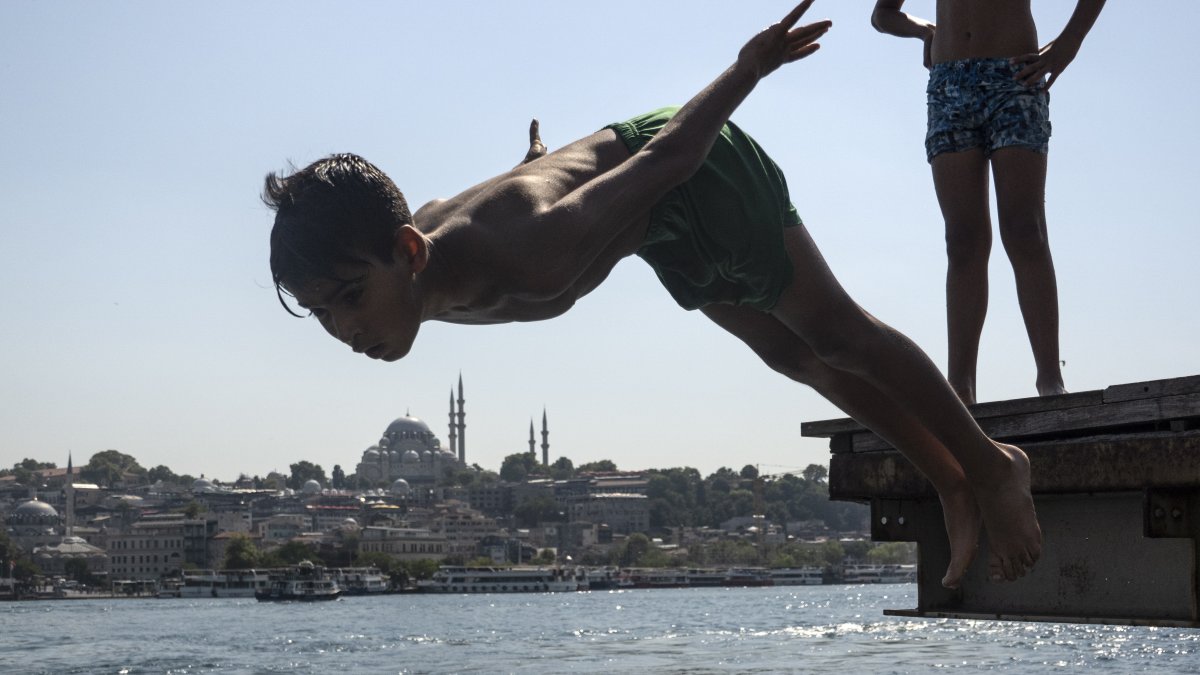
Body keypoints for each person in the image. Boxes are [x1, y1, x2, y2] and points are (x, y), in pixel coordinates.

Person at [264, 1, 1040, 588]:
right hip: (653, 227)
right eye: (322, 312)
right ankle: (949, 477)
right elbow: (488, 196)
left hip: (694, 168)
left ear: (406, 253)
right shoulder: (427, 253)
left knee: (836, 335)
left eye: (348, 297)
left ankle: (992, 465)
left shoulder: (527, 246)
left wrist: (749, 68)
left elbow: (668, 157)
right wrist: (537, 162)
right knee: (793, 356)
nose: (342, 328)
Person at [871, 0, 1106, 405]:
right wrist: (925, 30)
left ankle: (1050, 378)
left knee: (1025, 229)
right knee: (962, 240)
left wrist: (1070, 41)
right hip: (949, 85)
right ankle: (961, 387)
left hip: (1014, 76)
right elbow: (883, 14)